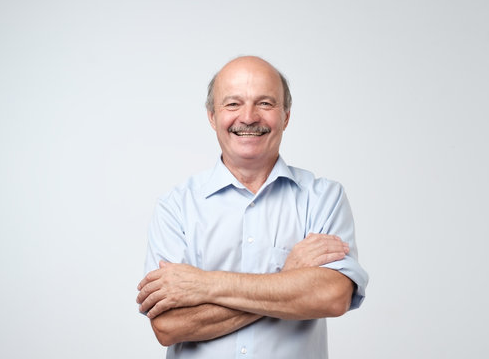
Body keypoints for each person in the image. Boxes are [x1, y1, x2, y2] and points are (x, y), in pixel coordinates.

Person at [137, 56, 368, 359]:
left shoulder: (324, 198)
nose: (248, 117)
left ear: (286, 116)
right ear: (211, 116)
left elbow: (333, 296)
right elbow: (168, 326)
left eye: (265, 103)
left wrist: (203, 284)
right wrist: (289, 280)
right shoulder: (176, 207)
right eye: (232, 104)